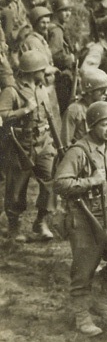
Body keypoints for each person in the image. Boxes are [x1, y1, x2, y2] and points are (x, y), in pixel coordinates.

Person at [53, 101, 107, 336]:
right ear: (92, 126)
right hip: (85, 215)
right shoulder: (79, 151)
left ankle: (101, 298)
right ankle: (81, 316)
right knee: (84, 268)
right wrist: (90, 181)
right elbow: (60, 183)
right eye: (104, 125)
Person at [1, 50, 59, 242]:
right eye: (42, 70)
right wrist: (24, 110)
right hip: (20, 145)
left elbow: (50, 116)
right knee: (16, 187)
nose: (45, 73)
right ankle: (14, 226)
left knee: (50, 181)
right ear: (32, 71)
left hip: (43, 142)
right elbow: (2, 115)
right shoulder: (12, 90)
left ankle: (41, 221)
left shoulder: (42, 88)